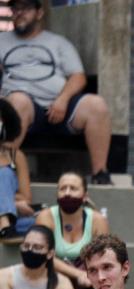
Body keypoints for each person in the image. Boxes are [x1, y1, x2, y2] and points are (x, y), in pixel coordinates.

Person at [0, 0, 112, 184]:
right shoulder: (2, 41)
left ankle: (100, 174)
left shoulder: (58, 43)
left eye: (26, 8)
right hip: (21, 107)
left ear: (39, 13)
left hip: (59, 106)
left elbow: (78, 77)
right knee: (18, 101)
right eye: (16, 8)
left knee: (96, 105)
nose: (19, 13)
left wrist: (63, 100)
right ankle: (4, 169)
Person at [35, 172, 109, 289]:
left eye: (73, 188)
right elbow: (43, 257)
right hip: (53, 279)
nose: (67, 193)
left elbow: (102, 258)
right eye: (62, 188)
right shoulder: (46, 217)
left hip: (87, 282)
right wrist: (77, 274)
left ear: (85, 195)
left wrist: (85, 274)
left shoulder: (98, 220)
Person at [0, 98, 33, 240]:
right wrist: (13, 203)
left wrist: (6, 203)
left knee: (42, 223)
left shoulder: (16, 156)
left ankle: (4, 223)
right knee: (5, 173)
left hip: (14, 221)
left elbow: (26, 198)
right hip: (10, 219)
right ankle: (4, 224)